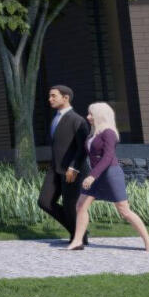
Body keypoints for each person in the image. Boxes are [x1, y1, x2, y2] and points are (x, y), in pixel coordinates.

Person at [70, 102, 149, 253]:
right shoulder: (93, 133)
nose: (88, 116)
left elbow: (108, 156)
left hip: (110, 175)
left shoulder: (109, 132)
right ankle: (77, 242)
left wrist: (92, 176)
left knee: (124, 211)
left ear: (100, 115)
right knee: (81, 206)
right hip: (96, 175)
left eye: (91, 114)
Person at [44, 84, 90, 236]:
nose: (50, 99)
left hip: (72, 170)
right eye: (50, 96)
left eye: (53, 96)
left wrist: (74, 167)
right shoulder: (55, 118)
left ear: (66, 98)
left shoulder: (78, 120)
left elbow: (83, 148)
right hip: (55, 169)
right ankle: (78, 232)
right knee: (44, 201)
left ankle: (79, 238)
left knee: (71, 206)